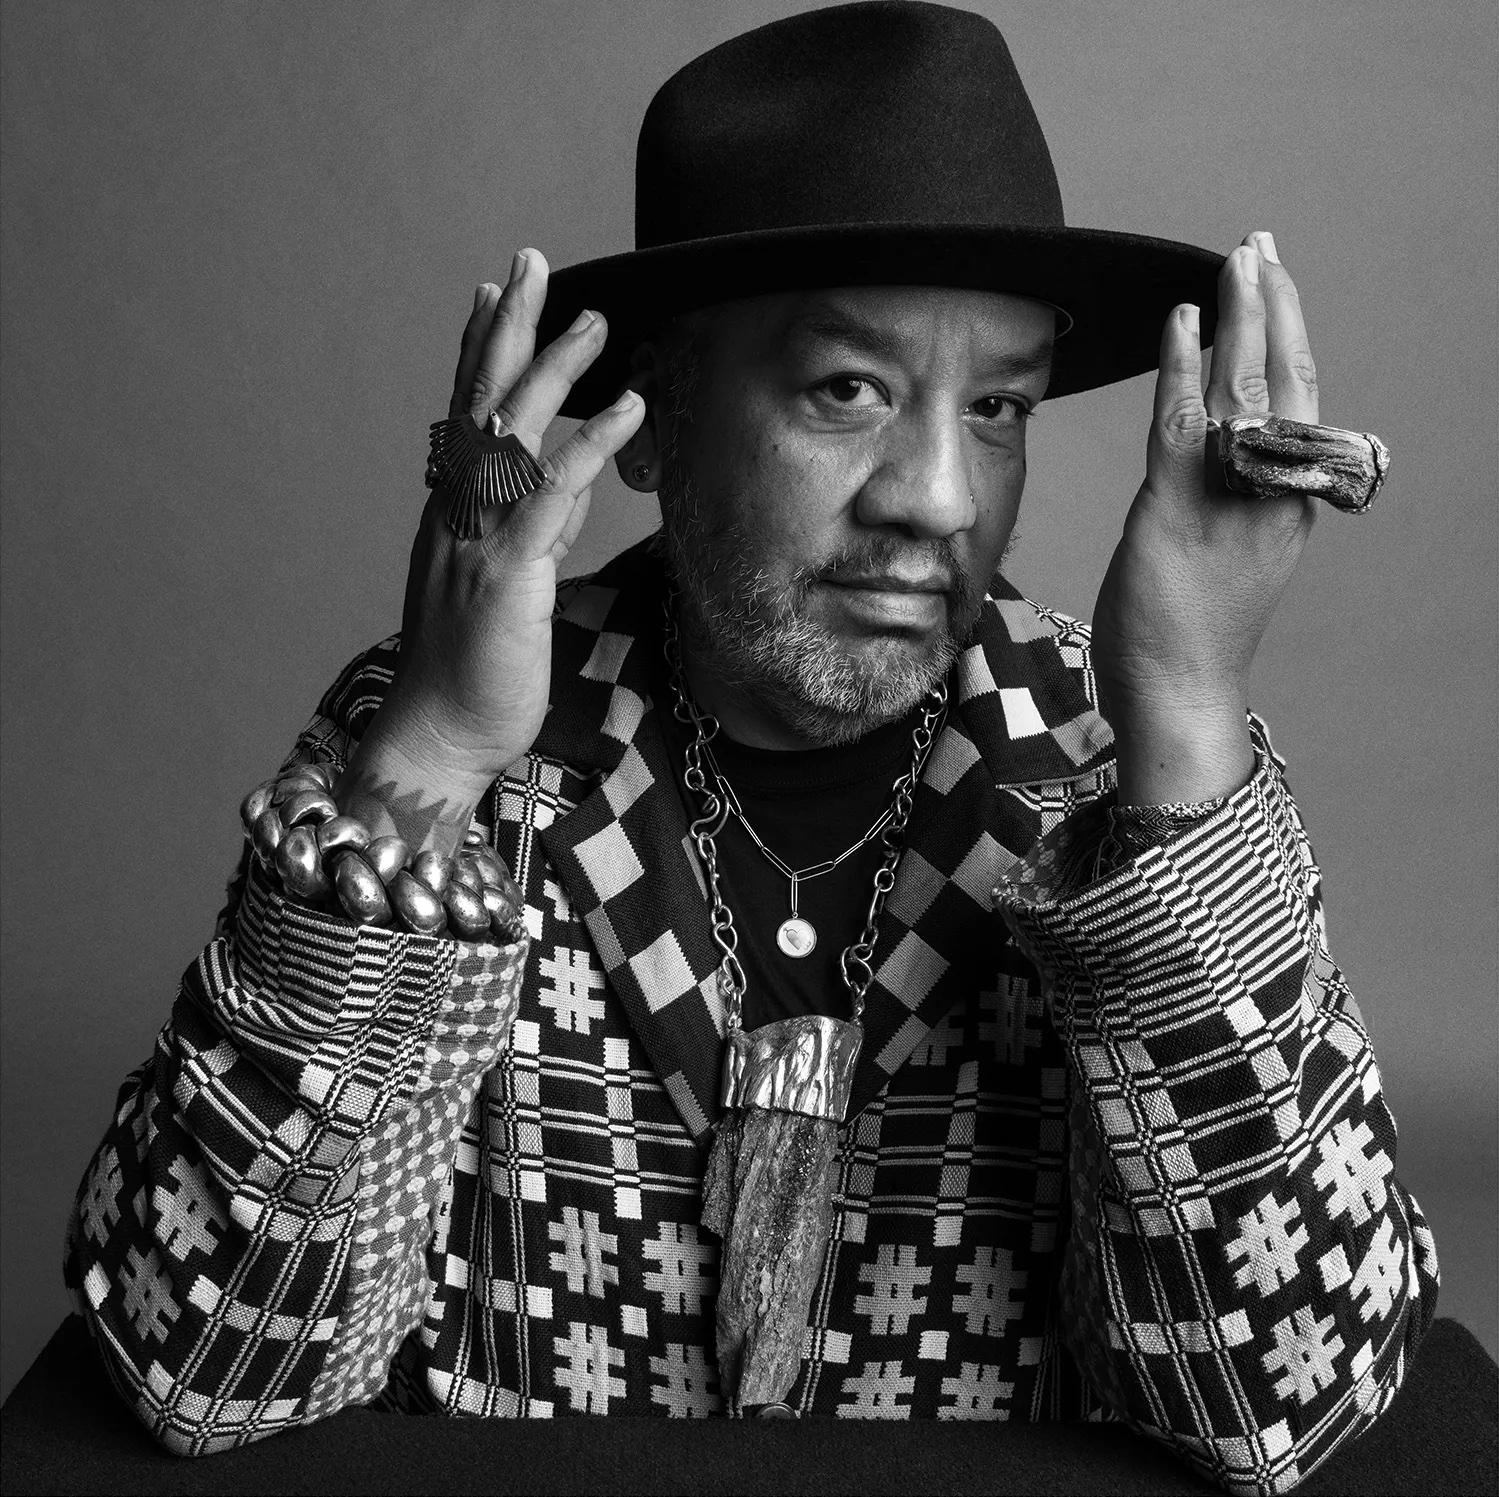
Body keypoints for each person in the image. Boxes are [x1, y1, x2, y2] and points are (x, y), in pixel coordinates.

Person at [64, 3, 1435, 1490]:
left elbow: (1279, 1405)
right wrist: (437, 747)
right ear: (657, 420)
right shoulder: (449, 738)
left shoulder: (1121, 762)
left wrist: (1187, 706)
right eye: (847, 389)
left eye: (998, 407)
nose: (937, 497)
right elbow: (204, 1374)